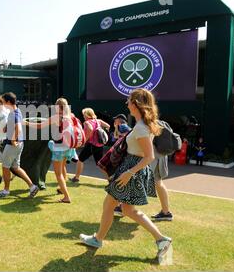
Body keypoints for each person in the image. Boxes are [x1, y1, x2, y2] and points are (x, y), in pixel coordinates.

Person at [79, 89, 172, 260]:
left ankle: (98, 239)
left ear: (136, 104)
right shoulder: (141, 124)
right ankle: (161, 239)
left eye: (129, 101)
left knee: (111, 205)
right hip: (131, 168)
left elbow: (149, 156)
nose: (127, 103)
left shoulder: (142, 127)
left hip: (132, 169)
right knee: (126, 209)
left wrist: (129, 172)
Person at [26, 98, 76, 203]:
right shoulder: (70, 117)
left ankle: (66, 197)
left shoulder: (56, 117)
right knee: (63, 168)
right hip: (68, 147)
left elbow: (40, 126)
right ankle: (61, 189)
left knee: (58, 174)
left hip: (59, 148)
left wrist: (26, 123)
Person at [0, 92, 39, 198]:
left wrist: (13, 140)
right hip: (18, 144)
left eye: (4, 102)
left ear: (8, 102)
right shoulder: (16, 111)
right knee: (16, 167)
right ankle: (32, 186)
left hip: (12, 144)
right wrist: (6, 127)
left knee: (5, 167)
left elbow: (18, 128)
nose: (3, 104)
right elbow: (14, 125)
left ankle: (6, 191)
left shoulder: (14, 113)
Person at [70, 108, 110, 183]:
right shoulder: (98, 121)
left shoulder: (87, 122)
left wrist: (84, 141)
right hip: (100, 145)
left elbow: (90, 129)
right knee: (100, 164)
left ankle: (76, 178)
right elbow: (108, 126)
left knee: (80, 160)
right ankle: (110, 180)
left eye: (84, 114)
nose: (83, 116)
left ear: (87, 115)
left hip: (91, 145)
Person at [150, 151, 174, 221]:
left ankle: (166, 212)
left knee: (158, 182)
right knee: (158, 182)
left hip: (153, 155)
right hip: (158, 155)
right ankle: (165, 212)